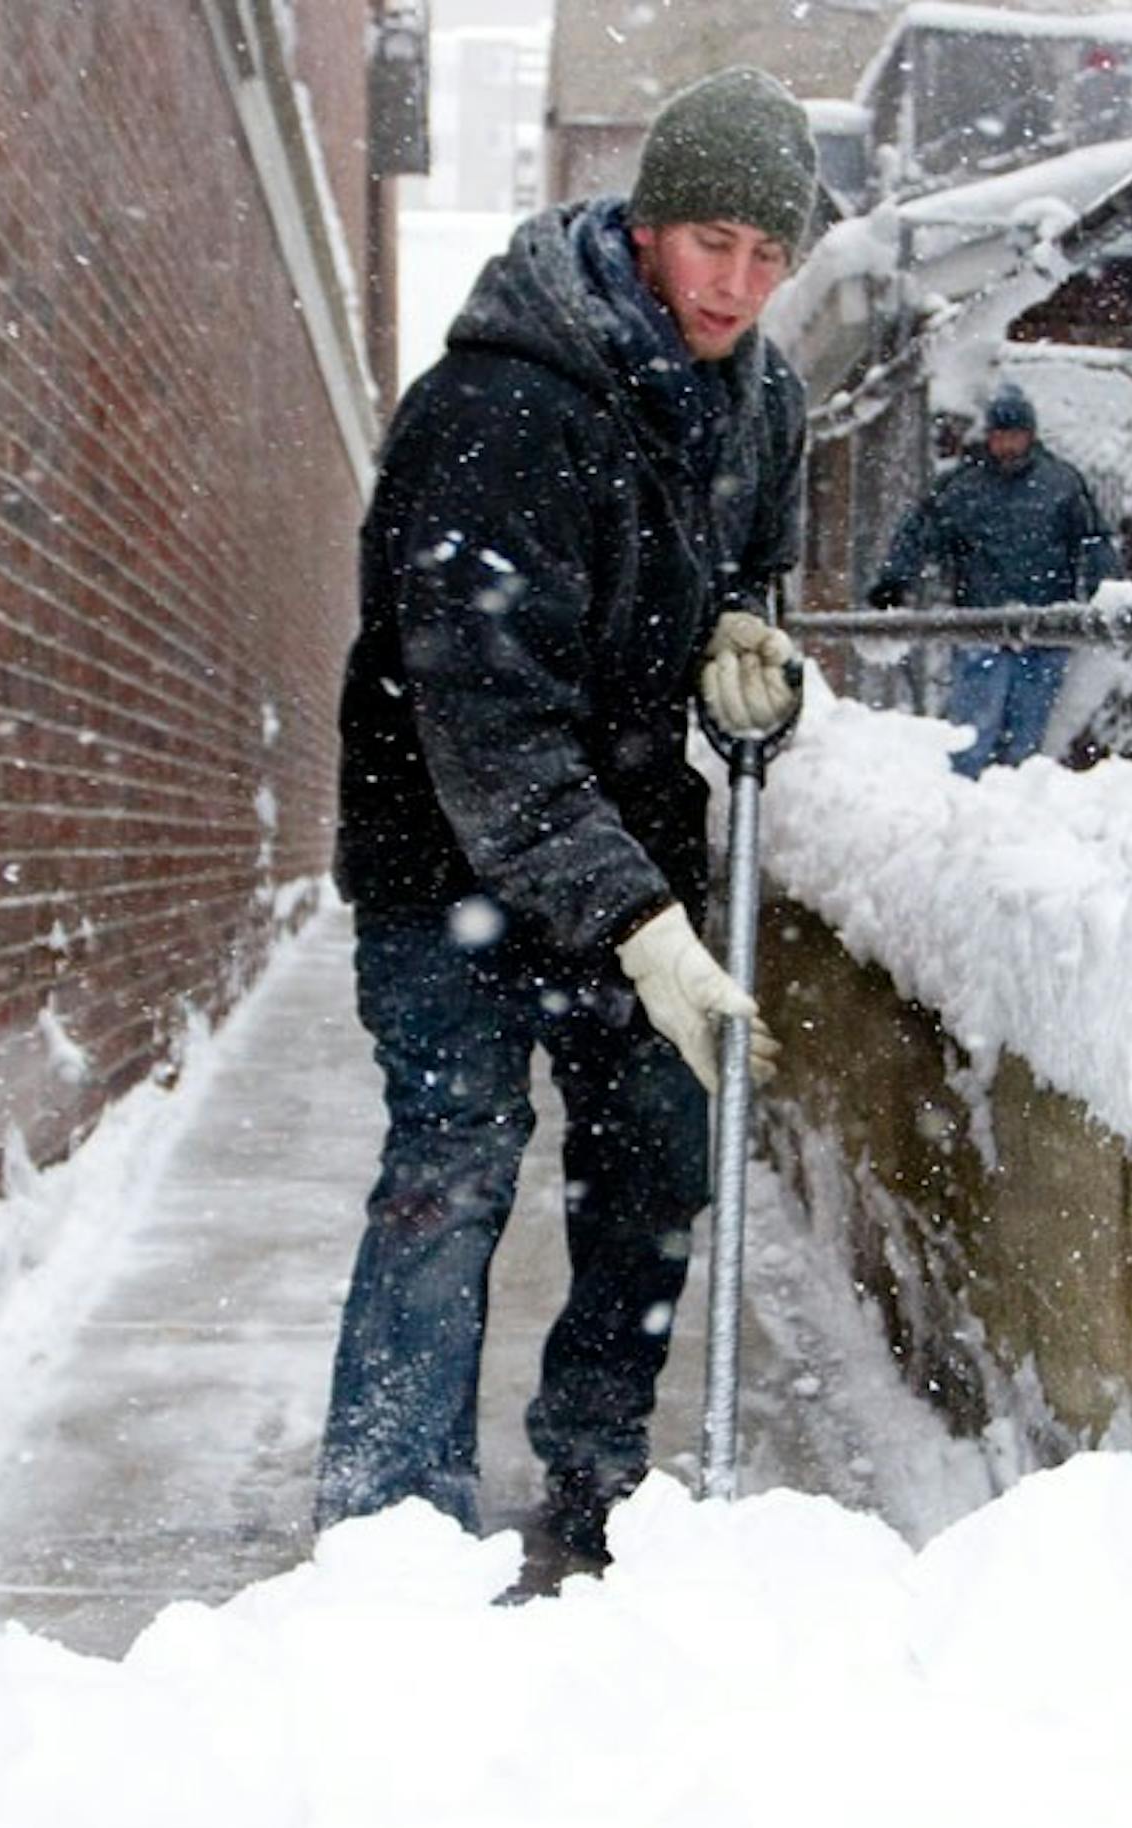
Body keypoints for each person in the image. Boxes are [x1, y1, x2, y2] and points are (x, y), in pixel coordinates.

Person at [318, 68, 818, 1563]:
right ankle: (386, 1530)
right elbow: (484, 719)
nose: (736, 283)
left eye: (769, 254)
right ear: (651, 226)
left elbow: (748, 576)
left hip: (618, 834)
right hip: (446, 846)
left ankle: (596, 1489)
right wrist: (643, 927)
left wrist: (744, 642)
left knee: (656, 1148)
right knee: (455, 1159)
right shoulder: (496, 407)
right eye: (711, 241)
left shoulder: (758, 403)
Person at [866, 383, 1121, 776]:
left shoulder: (1061, 485)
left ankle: (1012, 802)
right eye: (999, 435)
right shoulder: (965, 487)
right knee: (972, 731)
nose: (1006, 444)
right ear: (988, 437)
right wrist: (896, 580)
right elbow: (921, 532)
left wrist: (1106, 590)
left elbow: (1092, 541)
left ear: (1030, 436)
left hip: (1044, 624)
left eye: (1014, 435)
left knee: (1027, 735)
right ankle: (968, 800)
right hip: (981, 623)